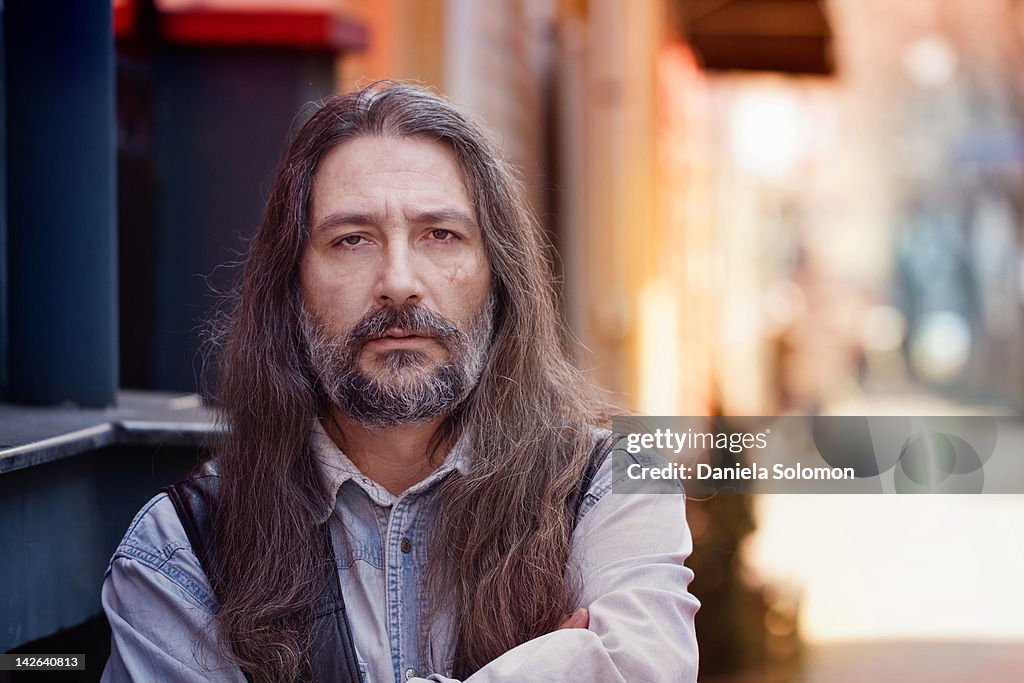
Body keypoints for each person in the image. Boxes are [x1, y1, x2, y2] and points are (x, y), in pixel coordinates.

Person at [101, 82, 699, 682]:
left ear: (498, 274)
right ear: (291, 285)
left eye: (440, 234)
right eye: (351, 239)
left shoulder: (615, 482)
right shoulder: (182, 552)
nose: (399, 281)